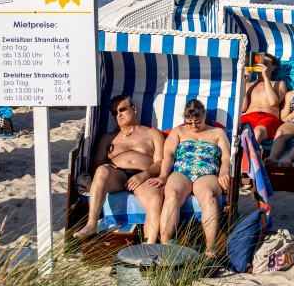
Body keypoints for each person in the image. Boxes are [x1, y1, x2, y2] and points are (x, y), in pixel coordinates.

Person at [73, 95, 167, 242]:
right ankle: (91, 224)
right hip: (117, 176)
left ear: (134, 109)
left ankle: (149, 246)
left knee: (155, 200)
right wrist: (103, 166)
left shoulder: (152, 134)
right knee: (102, 170)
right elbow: (95, 165)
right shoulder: (108, 137)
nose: (119, 114)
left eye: (122, 109)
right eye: (114, 112)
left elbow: (161, 162)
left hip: (144, 176)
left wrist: (145, 175)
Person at [149, 99, 232, 257]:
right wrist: (163, 175)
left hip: (207, 173)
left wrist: (224, 172)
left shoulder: (217, 132)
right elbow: (169, 155)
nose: (194, 126)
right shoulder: (178, 131)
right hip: (182, 172)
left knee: (209, 196)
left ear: (204, 115)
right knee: (172, 195)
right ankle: (165, 245)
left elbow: (226, 158)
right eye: (189, 122)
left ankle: (210, 248)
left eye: (198, 121)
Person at [240, 53, 285, 144]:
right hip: (249, 116)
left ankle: (249, 158)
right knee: (245, 133)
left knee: (258, 132)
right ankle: (248, 158)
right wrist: (244, 81)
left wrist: (266, 78)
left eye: (266, 63)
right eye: (260, 63)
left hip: (268, 118)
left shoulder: (279, 83)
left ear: (273, 68)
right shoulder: (249, 85)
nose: (262, 66)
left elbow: (272, 102)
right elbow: (243, 108)